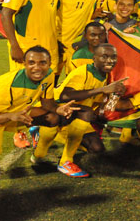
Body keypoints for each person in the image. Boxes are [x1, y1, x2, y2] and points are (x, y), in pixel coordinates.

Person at [0, 47, 79, 180]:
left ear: (49, 64)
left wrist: (58, 109)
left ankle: (39, 150)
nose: (37, 68)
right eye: (32, 63)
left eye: (42, 63)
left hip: (15, 113)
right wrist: (11, 116)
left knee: (53, 118)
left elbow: (47, 103)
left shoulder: (49, 75)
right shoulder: (7, 85)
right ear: (24, 63)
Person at [31, 44, 126, 177]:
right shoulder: (83, 72)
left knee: (96, 148)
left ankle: (42, 132)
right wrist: (102, 90)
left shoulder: (106, 77)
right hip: (56, 110)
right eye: (104, 57)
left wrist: (114, 97)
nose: (109, 60)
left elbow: (98, 105)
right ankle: (63, 159)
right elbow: (65, 96)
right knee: (40, 156)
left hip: (75, 116)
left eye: (113, 57)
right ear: (94, 58)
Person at [0, 0, 62, 148]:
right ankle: (18, 132)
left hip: (49, 48)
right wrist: (15, 45)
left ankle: (39, 126)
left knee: (45, 92)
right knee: (21, 93)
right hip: (27, 49)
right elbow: (6, 14)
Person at [56, 0, 104, 75]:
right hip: (58, 39)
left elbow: (95, 15)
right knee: (52, 76)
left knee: (73, 77)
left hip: (78, 41)